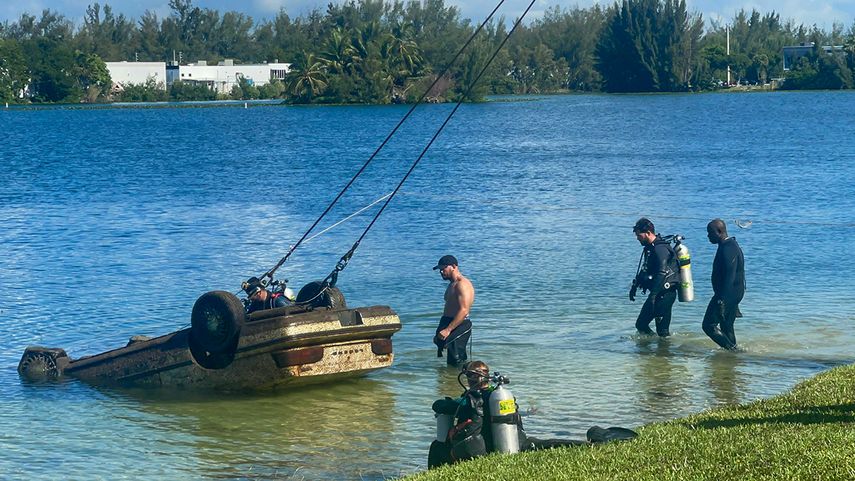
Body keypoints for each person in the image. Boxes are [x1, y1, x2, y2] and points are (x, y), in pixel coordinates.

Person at [630, 218, 680, 337]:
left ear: (648, 233)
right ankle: (661, 353)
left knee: (641, 325)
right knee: (662, 332)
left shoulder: (660, 249)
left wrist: (652, 296)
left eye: (639, 235)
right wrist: (634, 287)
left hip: (665, 295)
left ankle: (654, 351)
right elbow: (645, 269)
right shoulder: (650, 248)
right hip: (660, 294)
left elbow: (662, 273)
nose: (637, 238)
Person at [702, 219, 745, 350]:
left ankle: (731, 350)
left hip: (728, 294)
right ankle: (732, 358)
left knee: (708, 325)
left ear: (719, 232)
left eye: (710, 233)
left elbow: (729, 276)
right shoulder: (729, 245)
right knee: (727, 326)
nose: (708, 236)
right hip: (733, 293)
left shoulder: (728, 248)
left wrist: (722, 301)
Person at [432, 255, 475, 366]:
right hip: (448, 322)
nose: (441, 272)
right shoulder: (452, 284)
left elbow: (464, 310)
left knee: (456, 359)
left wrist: (447, 330)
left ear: (454, 266)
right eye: (440, 269)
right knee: (449, 358)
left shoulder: (462, 284)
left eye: (444, 268)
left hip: (459, 324)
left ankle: (458, 381)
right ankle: (448, 382)